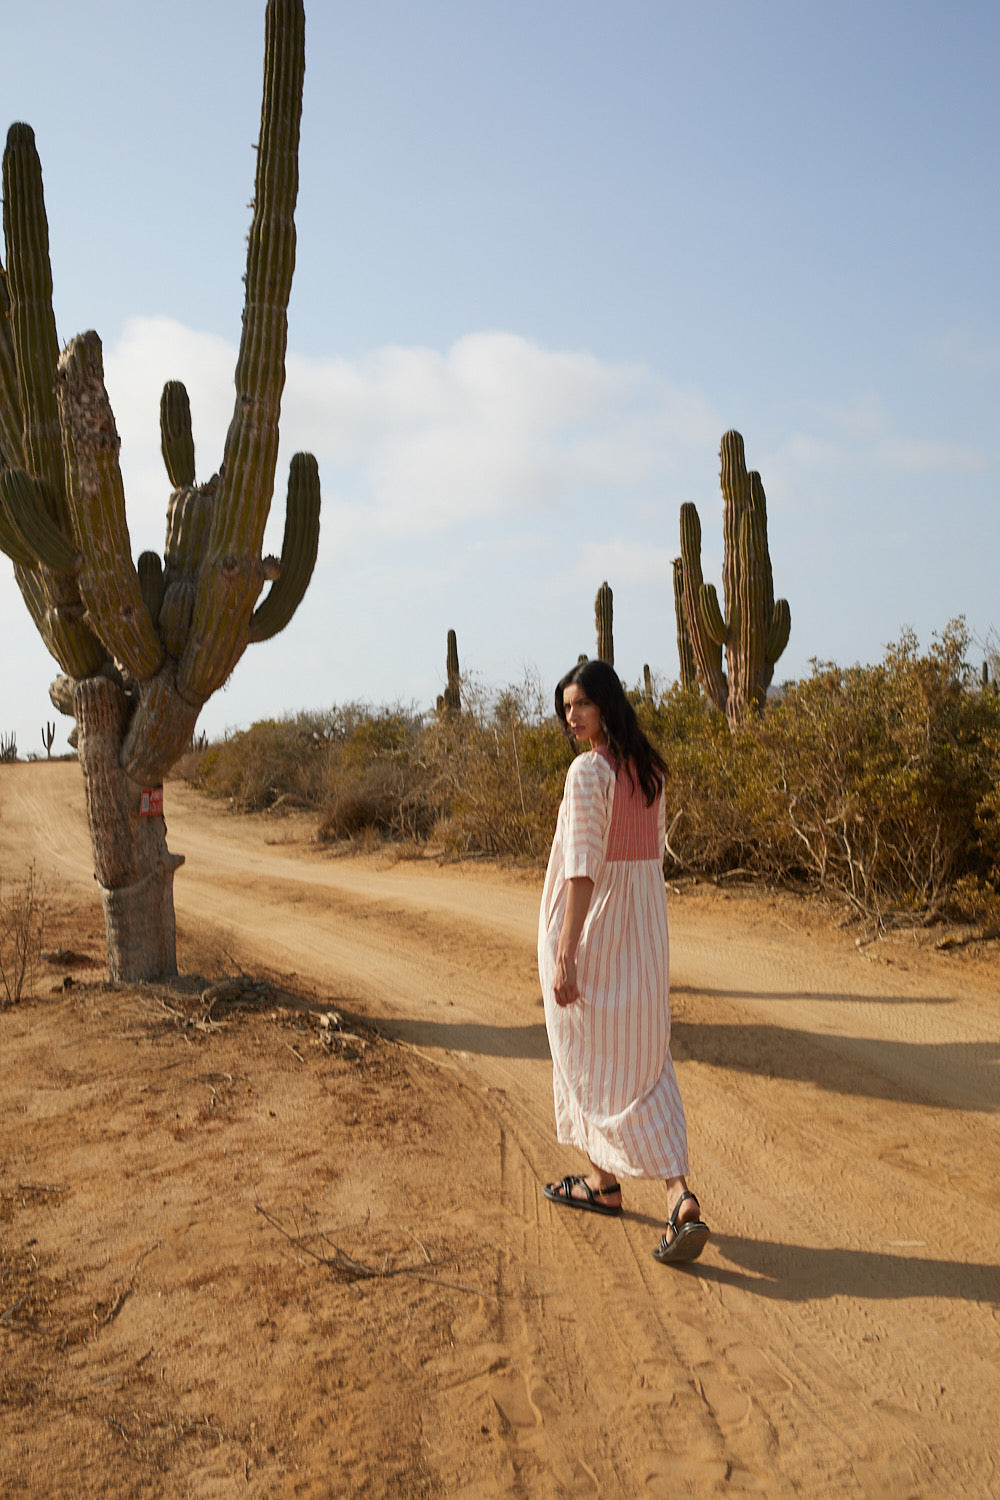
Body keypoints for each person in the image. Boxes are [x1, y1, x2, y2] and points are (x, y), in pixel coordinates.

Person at [537, 658, 710, 1265]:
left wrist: (566, 954)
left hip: (598, 928)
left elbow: (583, 868)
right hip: (643, 930)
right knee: (644, 1059)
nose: (571, 717)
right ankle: (672, 1194)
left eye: (580, 705)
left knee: (581, 1054)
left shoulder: (589, 771)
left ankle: (610, 1187)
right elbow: (645, 859)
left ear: (605, 705)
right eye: (565, 709)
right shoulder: (649, 769)